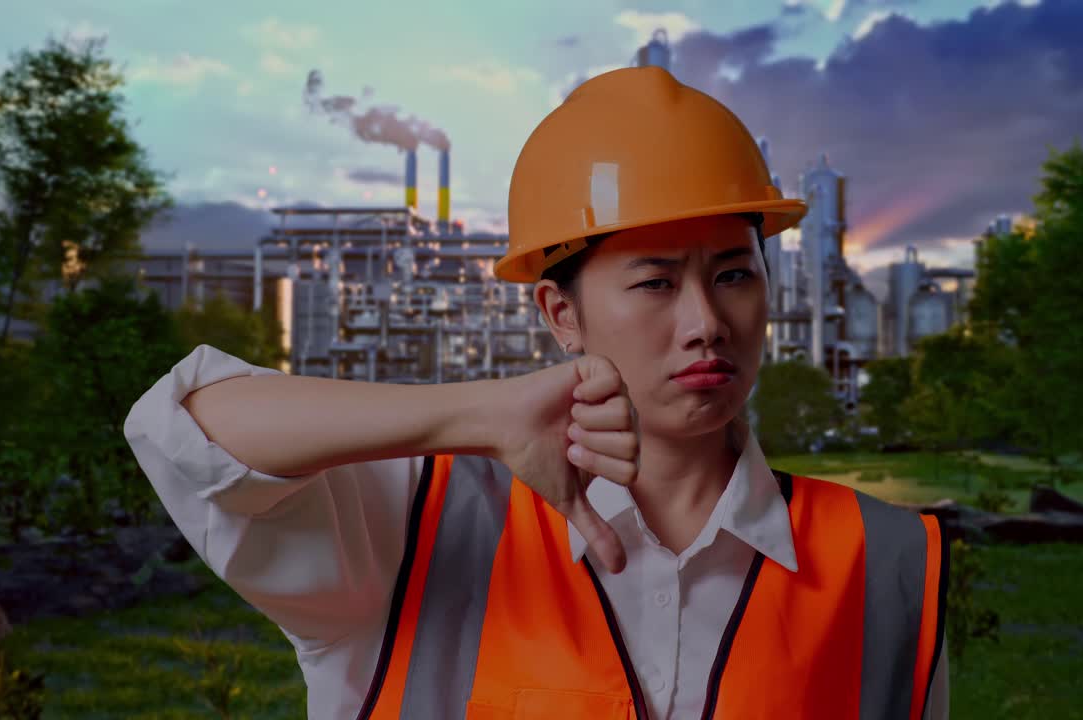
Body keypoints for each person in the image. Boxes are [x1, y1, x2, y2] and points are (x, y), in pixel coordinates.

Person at [124, 66, 948, 720]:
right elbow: (184, 426)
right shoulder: (414, 527)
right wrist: (479, 414)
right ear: (561, 314)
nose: (706, 322)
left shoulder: (886, 562)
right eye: (656, 283)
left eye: (734, 274)